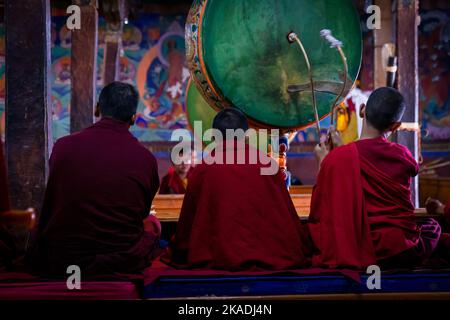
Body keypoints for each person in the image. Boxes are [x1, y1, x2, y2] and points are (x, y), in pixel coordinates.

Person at [27, 82, 161, 278]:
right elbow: (141, 212)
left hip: (63, 257)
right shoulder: (146, 159)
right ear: (133, 118)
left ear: (97, 108)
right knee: (153, 225)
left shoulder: (63, 147)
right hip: (120, 257)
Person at [309, 87, 441, 269]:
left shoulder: (338, 159)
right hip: (400, 249)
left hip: (361, 247)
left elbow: (321, 210)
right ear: (395, 126)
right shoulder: (402, 155)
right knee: (432, 227)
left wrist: (325, 164)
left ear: (362, 110)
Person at [165, 108, 310, 270]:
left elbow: (186, 231)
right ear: (247, 136)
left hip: (216, 262)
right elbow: (289, 222)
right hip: (269, 261)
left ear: (214, 136)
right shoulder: (267, 165)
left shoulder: (202, 170)